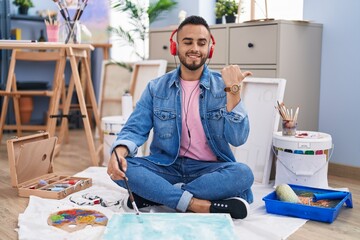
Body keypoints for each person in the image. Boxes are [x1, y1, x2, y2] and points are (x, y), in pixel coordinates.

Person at [107, 15, 254, 219]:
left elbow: (238, 139)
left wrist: (234, 92)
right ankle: (198, 204)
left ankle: (157, 195)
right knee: (124, 167)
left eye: (201, 43)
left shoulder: (224, 86)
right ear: (175, 47)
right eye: (188, 42)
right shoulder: (156, 88)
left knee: (243, 174)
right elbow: (134, 129)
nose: (195, 48)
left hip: (209, 170)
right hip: (166, 166)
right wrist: (120, 153)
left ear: (209, 49)